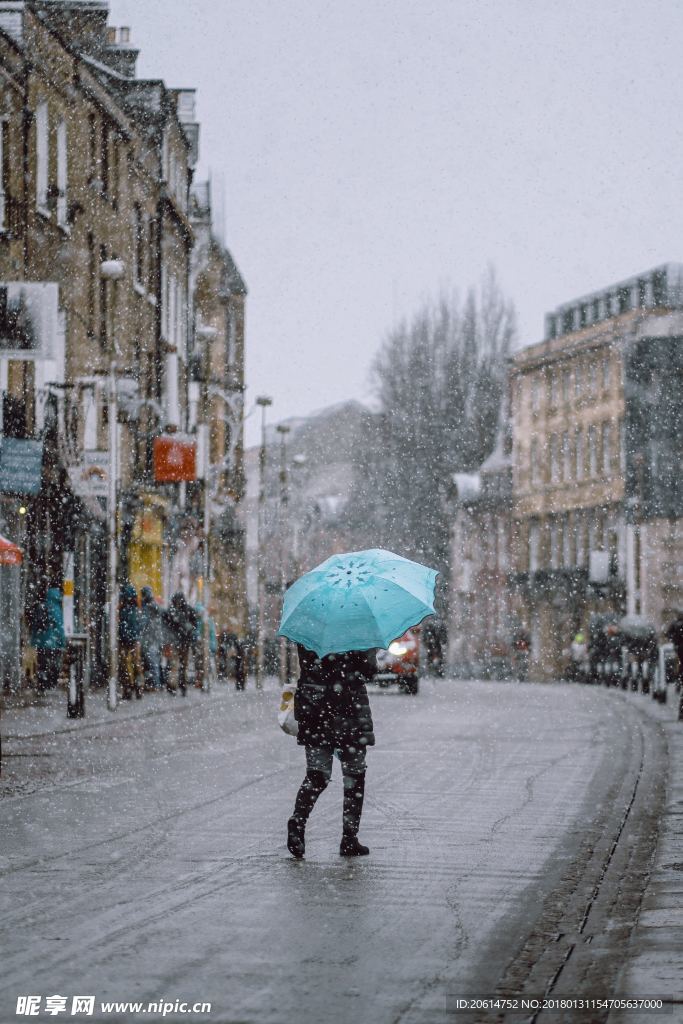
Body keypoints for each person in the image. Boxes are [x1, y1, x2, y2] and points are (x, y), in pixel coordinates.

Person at [287, 644, 376, 859]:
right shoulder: (359, 630)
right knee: (354, 775)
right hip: (350, 708)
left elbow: (306, 665)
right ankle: (349, 838)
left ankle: (298, 822)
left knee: (317, 774)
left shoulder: (310, 625)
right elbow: (369, 670)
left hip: (315, 706)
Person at [30, 587, 66, 693]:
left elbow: (36, 626)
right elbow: (59, 627)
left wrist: (35, 641)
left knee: (42, 664)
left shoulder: (43, 606)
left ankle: (42, 684)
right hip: (52, 643)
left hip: (41, 643)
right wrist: (62, 641)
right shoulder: (56, 608)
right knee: (53, 664)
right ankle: (50, 684)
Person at [164, 591, 197, 696]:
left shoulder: (174, 610)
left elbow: (168, 626)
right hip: (181, 641)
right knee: (180, 665)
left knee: (177, 665)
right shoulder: (186, 610)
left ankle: (176, 686)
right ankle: (179, 686)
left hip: (180, 641)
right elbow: (194, 624)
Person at [118, 583, 142, 700]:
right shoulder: (136, 610)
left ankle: (129, 687)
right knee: (135, 664)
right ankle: (136, 687)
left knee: (126, 665)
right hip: (133, 640)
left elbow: (124, 626)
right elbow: (138, 626)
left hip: (126, 640)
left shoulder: (123, 610)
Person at [139, 587, 163, 690]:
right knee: (152, 661)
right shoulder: (150, 606)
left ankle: (155, 684)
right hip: (151, 638)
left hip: (151, 638)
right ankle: (155, 683)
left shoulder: (150, 606)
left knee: (152, 661)